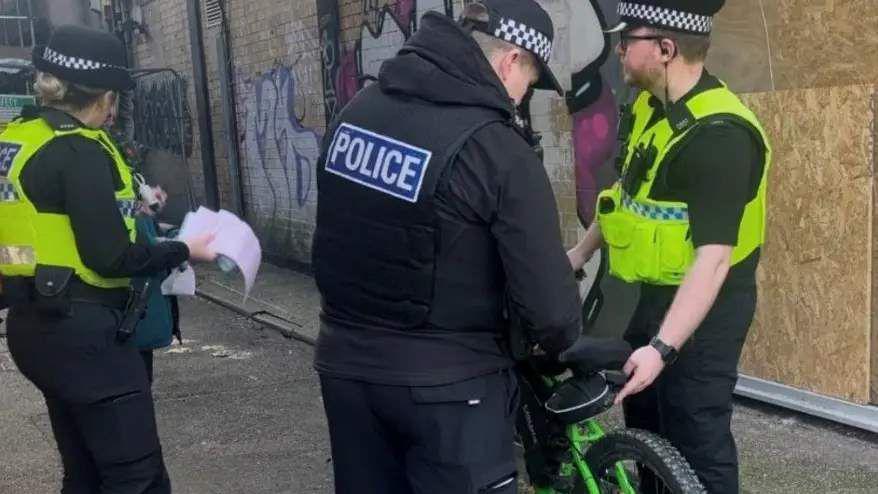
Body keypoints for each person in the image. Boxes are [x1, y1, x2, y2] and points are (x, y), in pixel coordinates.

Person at [311, 1, 585, 492]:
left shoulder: (354, 115)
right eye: (530, 80)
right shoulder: (499, 152)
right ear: (510, 61)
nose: (523, 99)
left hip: (346, 374)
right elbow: (553, 314)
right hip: (451, 392)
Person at [564, 1, 771, 492]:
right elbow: (623, 198)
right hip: (647, 299)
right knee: (646, 426)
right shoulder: (647, 107)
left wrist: (663, 346)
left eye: (626, 40)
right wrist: (579, 254)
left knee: (695, 434)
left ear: (665, 48)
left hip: (704, 313)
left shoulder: (719, 134)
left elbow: (714, 258)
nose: (617, 50)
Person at [0, 25, 216, 493]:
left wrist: (138, 214)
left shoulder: (21, 139)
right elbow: (109, 257)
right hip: (86, 334)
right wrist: (185, 249)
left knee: (85, 474)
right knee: (137, 479)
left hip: (34, 323)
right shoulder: (79, 150)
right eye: (115, 96)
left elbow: (51, 219)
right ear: (102, 97)